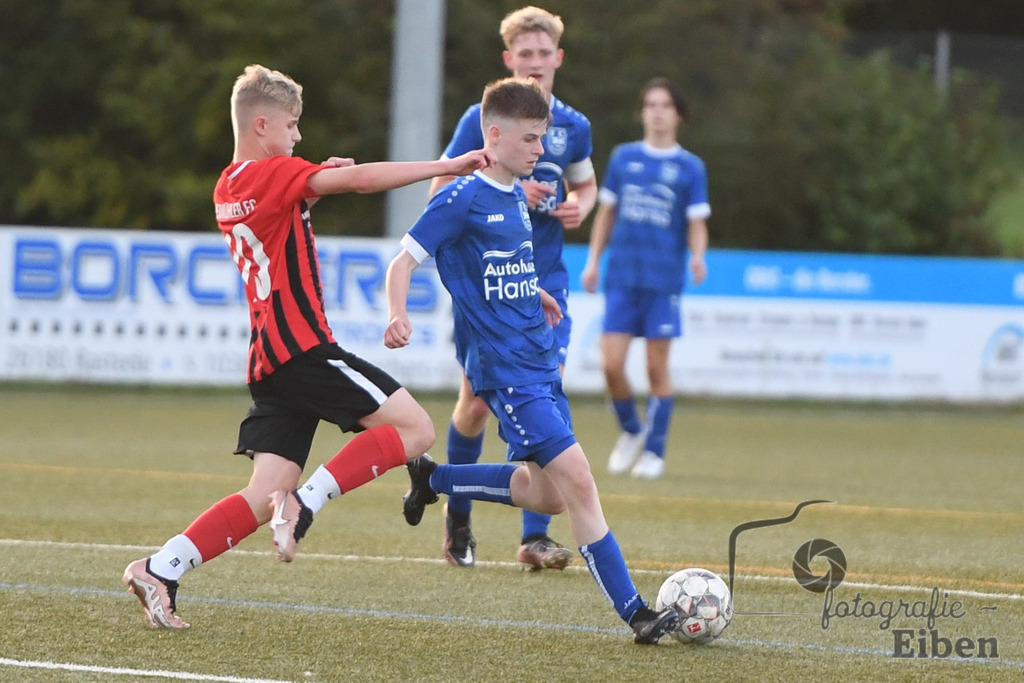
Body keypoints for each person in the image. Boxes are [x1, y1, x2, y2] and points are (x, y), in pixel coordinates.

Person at [120, 64, 495, 630]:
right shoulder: (273, 176)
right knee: (416, 431)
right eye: (292, 126)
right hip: (302, 350)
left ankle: (160, 567)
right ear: (263, 123)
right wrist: (451, 165)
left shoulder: (230, 183)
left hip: (269, 362)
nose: (298, 137)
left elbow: (281, 213)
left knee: (261, 492)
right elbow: (362, 181)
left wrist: (315, 182)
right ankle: (305, 504)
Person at [385, 77, 679, 645]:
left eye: (543, 139)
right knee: (580, 484)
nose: (541, 152)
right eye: (530, 140)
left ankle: (434, 477)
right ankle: (637, 612)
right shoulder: (460, 196)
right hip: (506, 371)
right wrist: (397, 312)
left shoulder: (517, 196)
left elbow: (512, 262)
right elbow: (403, 261)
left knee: (544, 494)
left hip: (540, 360)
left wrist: (536, 294)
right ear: (493, 136)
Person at [426, 5, 597, 570]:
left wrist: (580, 209)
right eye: (525, 53)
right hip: (489, 287)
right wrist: (500, 189)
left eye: (544, 53)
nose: (535, 62)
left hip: (544, 283)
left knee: (550, 393)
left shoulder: (572, 125)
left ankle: (534, 535)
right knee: (474, 406)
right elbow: (441, 190)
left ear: (558, 59)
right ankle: (457, 514)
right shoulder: (482, 118)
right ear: (509, 60)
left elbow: (586, 183)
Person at [581, 77, 710, 480]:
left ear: (679, 115)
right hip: (622, 277)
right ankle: (632, 431)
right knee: (611, 365)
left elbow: (696, 221)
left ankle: (655, 451)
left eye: (665, 105)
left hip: (662, 281)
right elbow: (606, 213)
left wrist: (698, 256)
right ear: (642, 112)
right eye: (650, 104)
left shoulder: (690, 167)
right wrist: (592, 261)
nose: (657, 111)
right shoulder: (623, 158)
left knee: (656, 369)